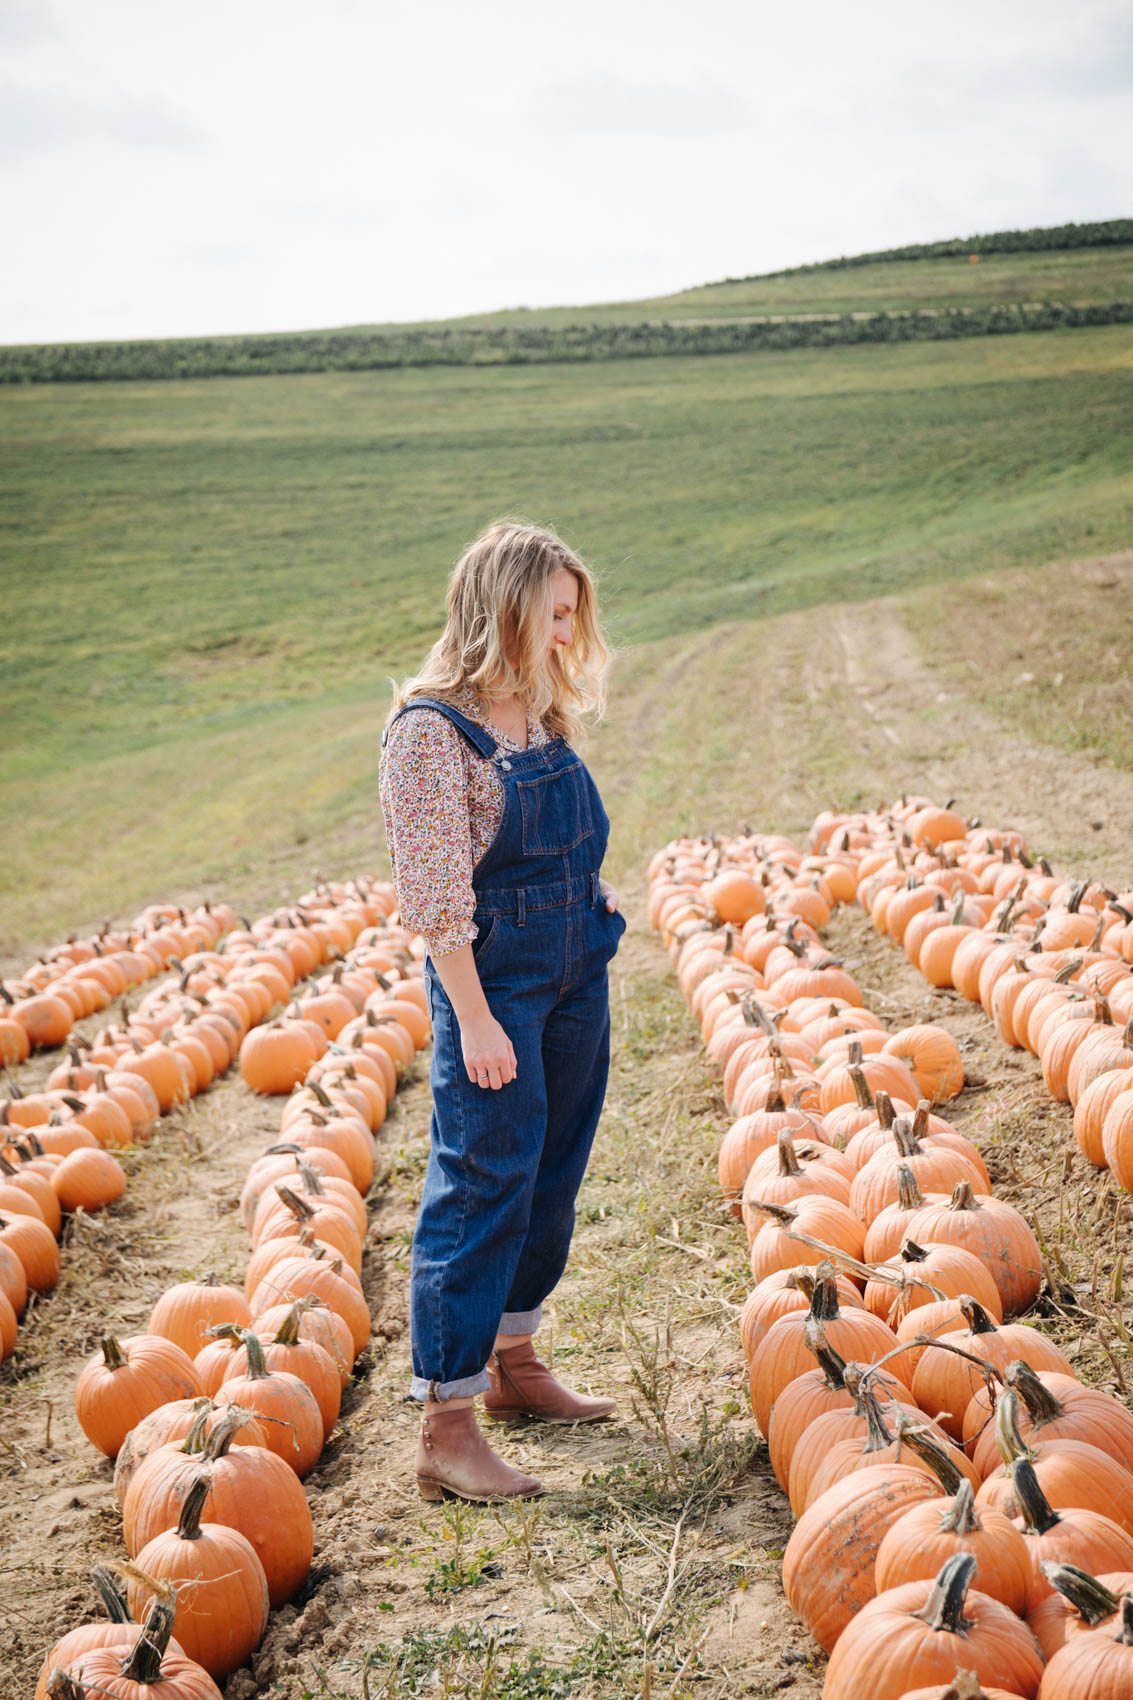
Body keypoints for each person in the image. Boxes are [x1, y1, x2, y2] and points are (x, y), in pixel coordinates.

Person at [379, 518, 626, 1502]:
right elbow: (436, 897)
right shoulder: (429, 733)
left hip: (575, 971)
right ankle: (447, 1420)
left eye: (572, 615)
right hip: (495, 987)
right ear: (502, 609)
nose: (565, 633)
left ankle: (517, 1360)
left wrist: (594, 899)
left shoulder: (539, 711)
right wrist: (475, 1021)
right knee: (482, 1180)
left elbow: (565, 839)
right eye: (551, 614)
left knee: (552, 1169)